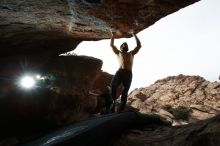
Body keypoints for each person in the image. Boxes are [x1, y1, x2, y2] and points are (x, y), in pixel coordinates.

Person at [106, 31, 142, 113]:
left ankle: (121, 107)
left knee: (125, 91)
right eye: (123, 45)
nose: (125, 45)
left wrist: (134, 35)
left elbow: (139, 46)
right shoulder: (118, 53)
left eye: (126, 45)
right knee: (112, 86)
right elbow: (111, 45)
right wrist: (113, 35)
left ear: (127, 48)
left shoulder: (131, 53)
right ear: (121, 47)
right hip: (120, 71)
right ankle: (113, 102)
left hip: (128, 73)